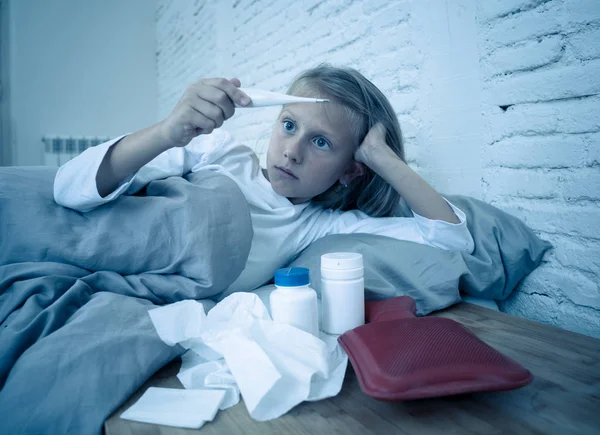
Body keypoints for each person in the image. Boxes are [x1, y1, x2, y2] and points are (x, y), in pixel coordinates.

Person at [54, 64, 474, 299]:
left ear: (351, 169)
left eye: (321, 142)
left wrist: (383, 159)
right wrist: (168, 132)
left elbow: (451, 241)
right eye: (288, 125)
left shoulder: (318, 227)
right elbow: (69, 190)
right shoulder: (219, 151)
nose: (292, 150)